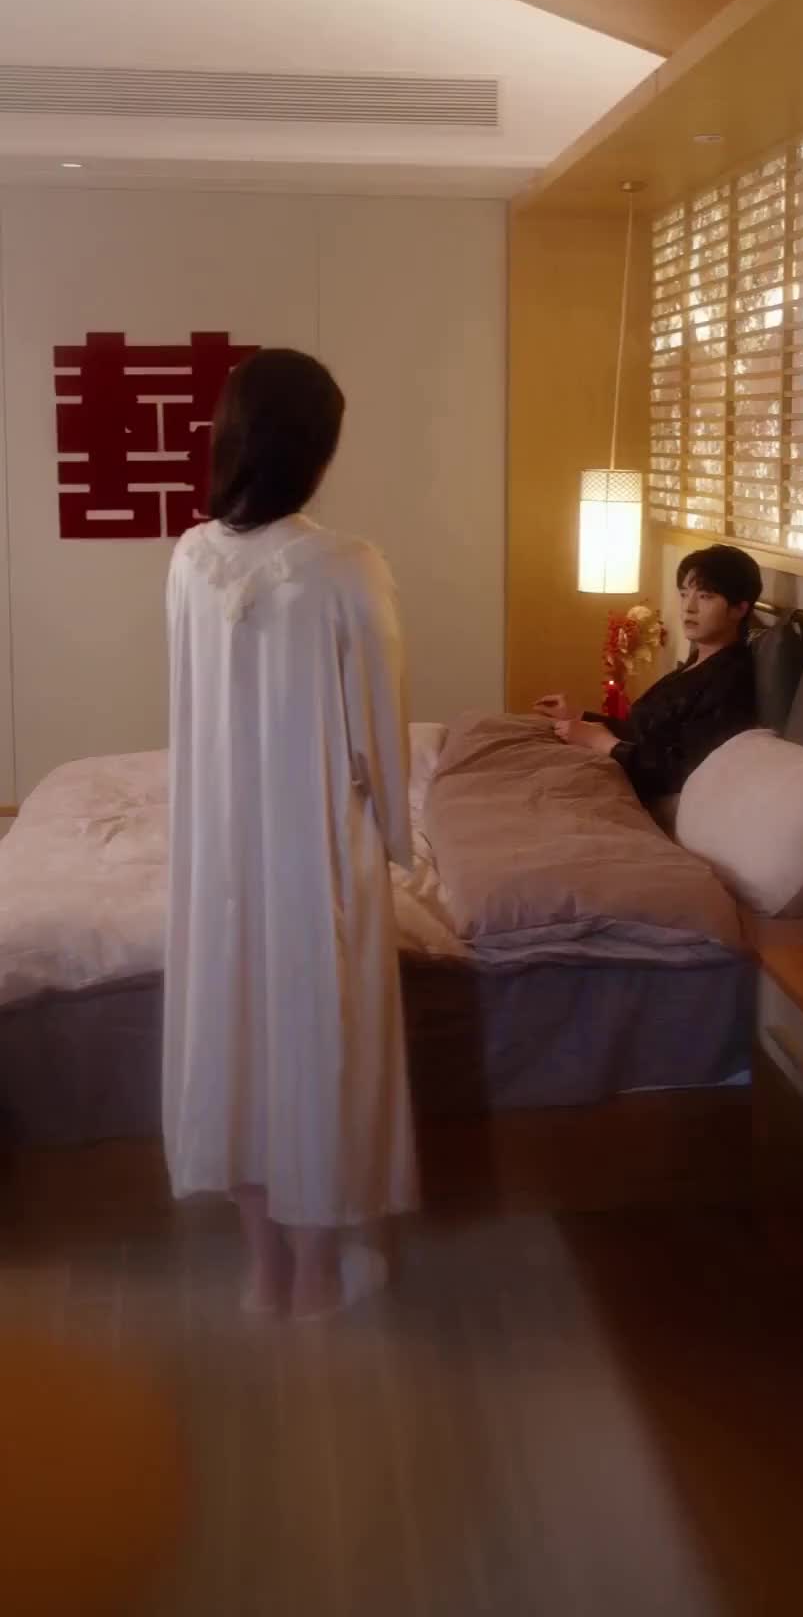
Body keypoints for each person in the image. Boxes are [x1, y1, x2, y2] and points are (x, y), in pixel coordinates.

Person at [163, 349, 417, 1321]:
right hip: (314, 845)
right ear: (316, 449)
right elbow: (378, 727)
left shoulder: (190, 560)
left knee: (234, 1039)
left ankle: (263, 1274)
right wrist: (394, 834)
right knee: (317, 1042)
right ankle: (314, 1279)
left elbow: (189, 709)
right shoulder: (347, 568)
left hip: (217, 846)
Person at [534, 544, 762, 802]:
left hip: (639, 795)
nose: (689, 607)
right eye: (684, 594)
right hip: (615, 771)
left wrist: (603, 744)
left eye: (705, 596)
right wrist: (580, 717)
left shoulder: (730, 680)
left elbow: (678, 771)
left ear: (739, 609)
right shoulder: (696, 662)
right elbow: (644, 732)